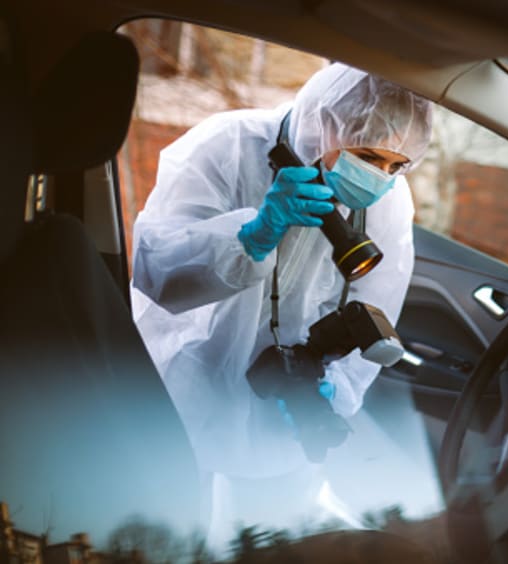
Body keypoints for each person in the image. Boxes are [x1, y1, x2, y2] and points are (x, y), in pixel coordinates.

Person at [130, 63, 432, 540]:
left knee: (265, 542)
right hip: (184, 385)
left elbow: (379, 306)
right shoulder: (226, 146)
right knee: (171, 529)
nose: (381, 178)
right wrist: (251, 236)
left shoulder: (389, 202)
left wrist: (338, 387)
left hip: (284, 411)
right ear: (323, 124)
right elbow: (157, 272)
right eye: (369, 157)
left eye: (398, 166)